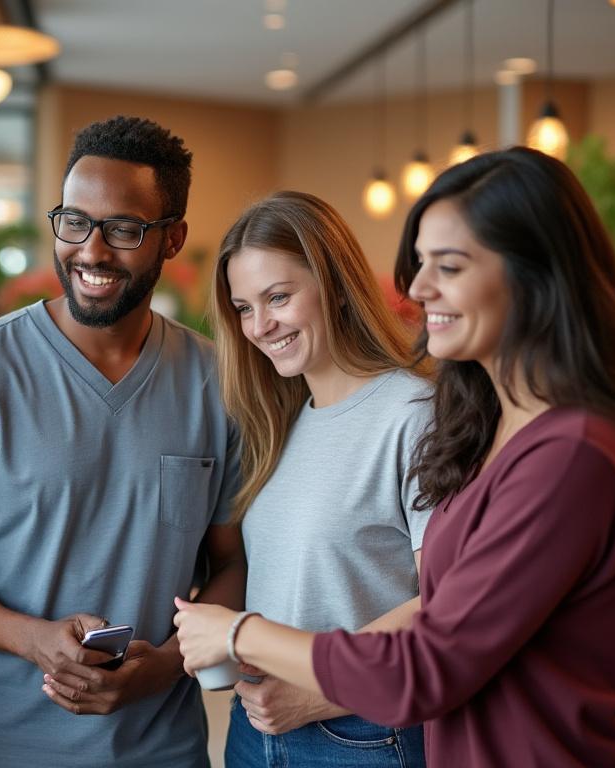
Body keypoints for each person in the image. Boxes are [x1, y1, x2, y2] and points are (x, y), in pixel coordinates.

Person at [174, 147, 615, 767]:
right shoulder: (506, 432)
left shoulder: (570, 455)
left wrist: (245, 634)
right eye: (421, 263)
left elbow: (430, 657)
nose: (418, 287)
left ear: (534, 273)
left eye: (448, 266)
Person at [0, 115, 246, 767]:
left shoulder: (218, 383)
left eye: (124, 229)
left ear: (173, 240)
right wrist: (35, 641)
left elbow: (231, 563)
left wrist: (168, 666)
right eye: (74, 222)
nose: (91, 250)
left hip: (163, 749)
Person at [210, 191, 430, 767]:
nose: (260, 326)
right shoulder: (279, 422)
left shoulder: (415, 413)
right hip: (254, 729)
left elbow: (448, 604)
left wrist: (320, 693)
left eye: (278, 297)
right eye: (243, 307)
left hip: (362, 733)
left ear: (332, 282)